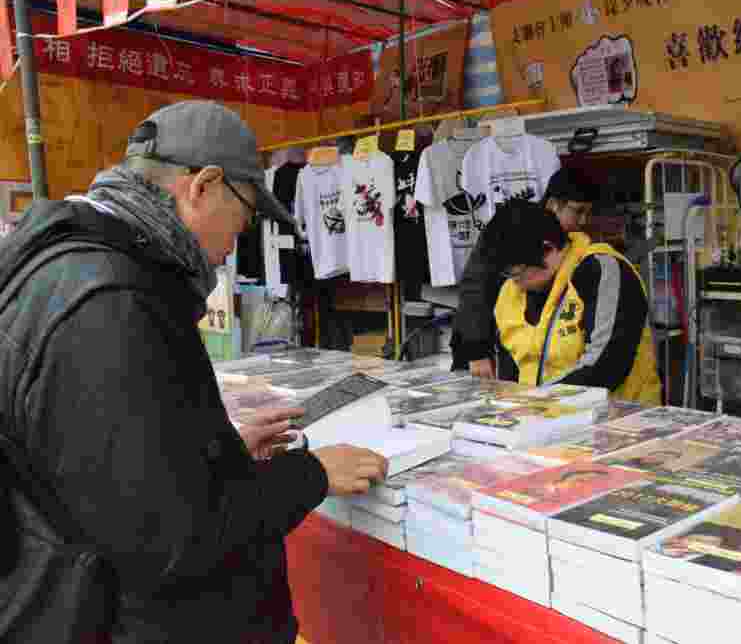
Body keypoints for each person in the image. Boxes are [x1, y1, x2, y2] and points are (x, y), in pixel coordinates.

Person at [0, 101, 389, 643]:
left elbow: (107, 466)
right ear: (203, 187)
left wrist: (214, 448)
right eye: (244, 216)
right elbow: (167, 536)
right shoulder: (109, 304)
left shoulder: (82, 270)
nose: (236, 244)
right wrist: (310, 474)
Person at [480, 202, 663, 405]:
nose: (516, 284)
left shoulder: (601, 269)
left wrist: (537, 400)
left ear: (548, 249)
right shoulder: (510, 293)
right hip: (540, 415)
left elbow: (607, 364)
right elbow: (510, 372)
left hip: (616, 416)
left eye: (517, 274)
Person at [451, 167, 598, 379]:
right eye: (578, 211)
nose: (583, 221)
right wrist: (477, 351)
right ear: (553, 205)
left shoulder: (578, 251)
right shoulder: (511, 227)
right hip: (493, 344)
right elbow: (475, 286)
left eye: (588, 213)